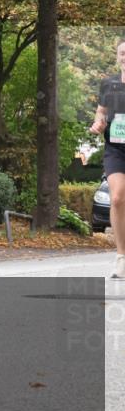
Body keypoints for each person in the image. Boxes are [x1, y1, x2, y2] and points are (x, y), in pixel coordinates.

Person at [89, 38, 125, 279]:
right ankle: (121, 258)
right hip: (116, 149)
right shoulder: (108, 84)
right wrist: (98, 124)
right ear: (117, 57)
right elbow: (101, 113)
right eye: (122, 53)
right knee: (118, 198)